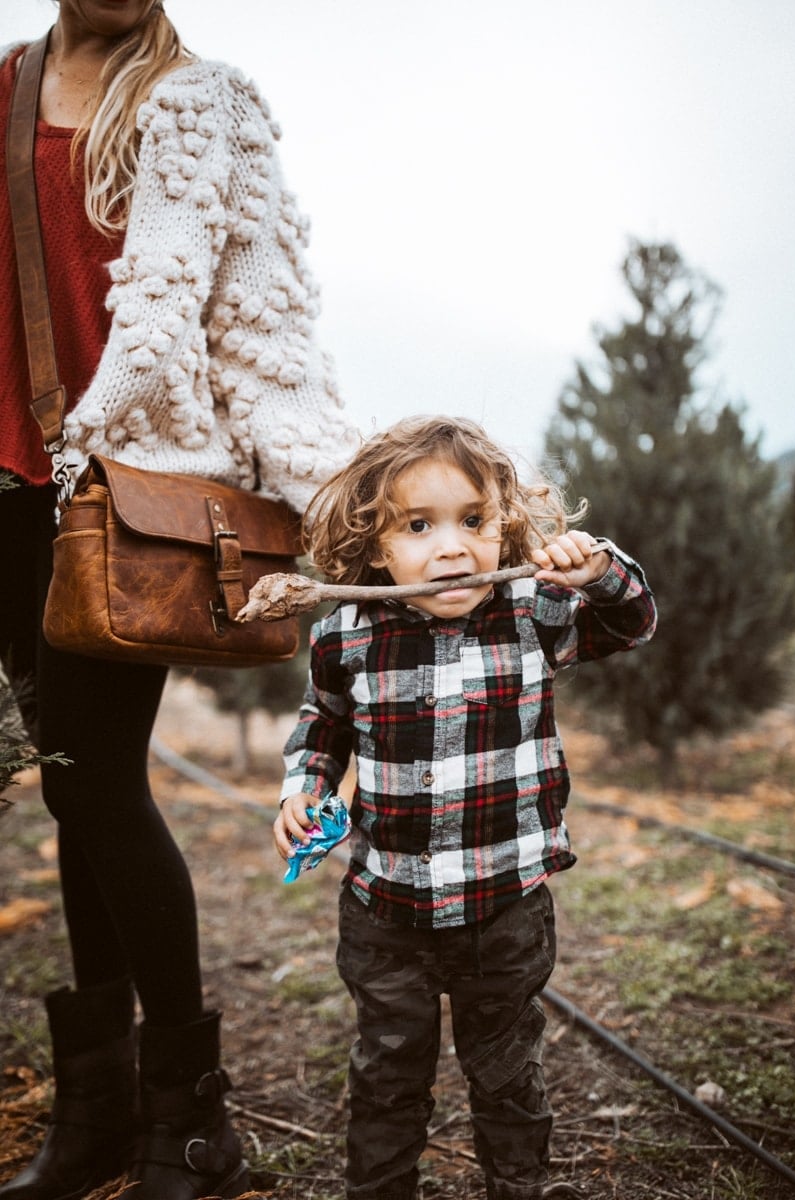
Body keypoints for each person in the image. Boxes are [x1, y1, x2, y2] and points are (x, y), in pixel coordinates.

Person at [0, 2, 359, 1198]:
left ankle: (194, 1122)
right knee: (69, 791)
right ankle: (101, 1109)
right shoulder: (5, 90)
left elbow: (262, 328)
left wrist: (341, 508)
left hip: (122, 498)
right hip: (0, 491)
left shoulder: (206, 105)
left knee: (98, 778)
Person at [274, 415, 657, 1200]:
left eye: (474, 522)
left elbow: (631, 621)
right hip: (386, 912)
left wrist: (597, 571)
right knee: (387, 1074)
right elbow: (323, 723)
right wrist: (304, 789)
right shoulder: (347, 632)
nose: (452, 547)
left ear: (504, 528)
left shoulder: (530, 615)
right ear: (380, 547)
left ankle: (517, 1186)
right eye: (419, 526)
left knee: (508, 1074)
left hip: (504, 909)